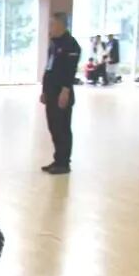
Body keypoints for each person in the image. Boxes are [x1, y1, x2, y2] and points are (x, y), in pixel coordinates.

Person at [40, 13, 80, 176]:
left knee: (62, 128)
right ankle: (58, 160)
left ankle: (64, 163)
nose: (50, 28)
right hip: (51, 91)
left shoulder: (71, 45)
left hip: (61, 93)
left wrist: (65, 90)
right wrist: (44, 91)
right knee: (54, 127)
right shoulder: (54, 44)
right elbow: (49, 68)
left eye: (52, 24)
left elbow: (70, 71)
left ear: (61, 25)